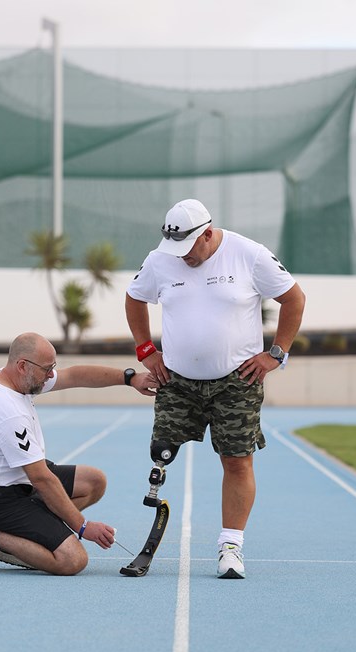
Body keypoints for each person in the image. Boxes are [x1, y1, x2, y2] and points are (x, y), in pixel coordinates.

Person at [125, 198, 306, 579]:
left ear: (207, 235)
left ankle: (231, 546)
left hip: (236, 382)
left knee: (237, 461)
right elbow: (134, 297)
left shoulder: (248, 254)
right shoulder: (161, 260)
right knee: (161, 454)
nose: (182, 258)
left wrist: (276, 354)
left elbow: (294, 298)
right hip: (177, 380)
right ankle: (153, 527)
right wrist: (145, 350)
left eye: (188, 249)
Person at [0, 331, 158, 576]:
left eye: (53, 367)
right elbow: (41, 478)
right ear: (22, 366)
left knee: (94, 482)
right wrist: (83, 527)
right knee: (73, 560)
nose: (51, 375)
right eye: (47, 369)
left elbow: (74, 375)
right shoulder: (6, 410)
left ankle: (30, 541)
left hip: (20, 480)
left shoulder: (12, 379)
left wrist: (130, 378)